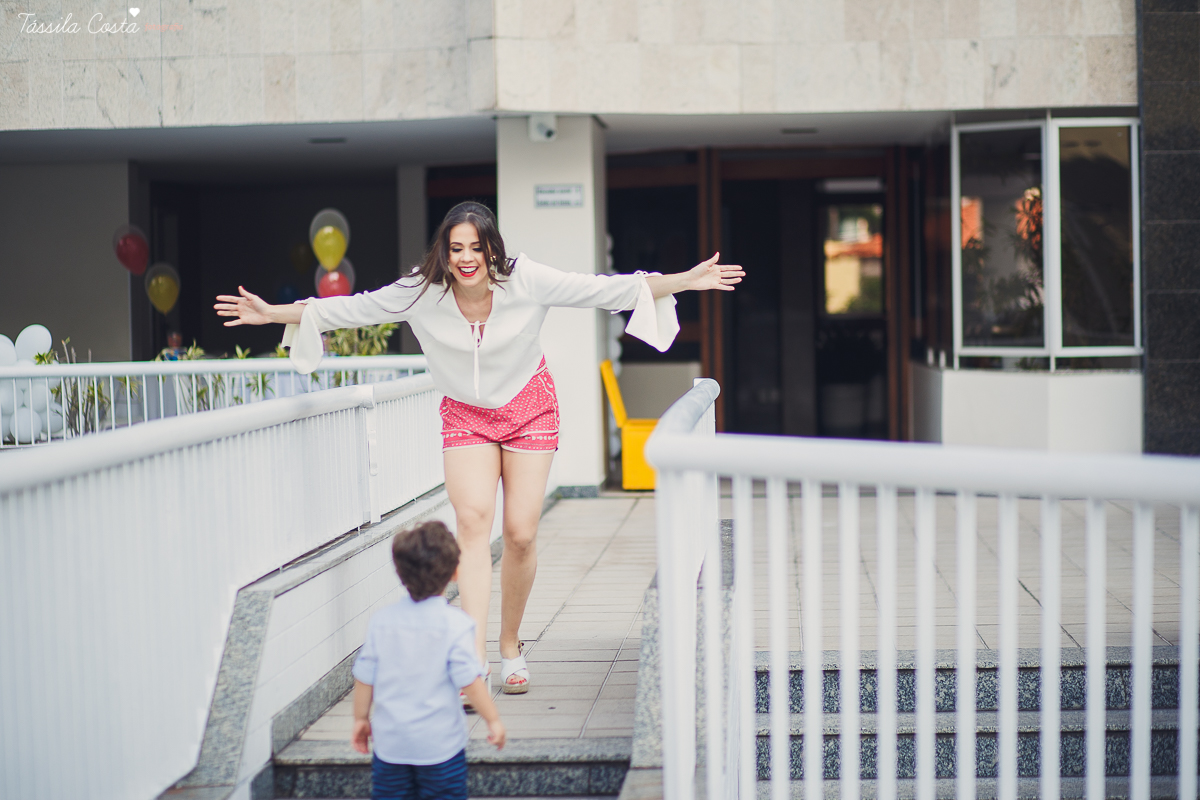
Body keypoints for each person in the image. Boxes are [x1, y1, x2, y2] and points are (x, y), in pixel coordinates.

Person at [215, 201, 743, 694]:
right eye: (455, 248)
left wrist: (685, 280)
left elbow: (605, 290)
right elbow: (351, 309)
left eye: (476, 247)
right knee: (471, 526)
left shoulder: (526, 279)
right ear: (443, 253)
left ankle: (510, 644)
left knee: (520, 533)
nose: (466, 258)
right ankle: (473, 659)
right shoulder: (420, 292)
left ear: (493, 248)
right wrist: (273, 313)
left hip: (529, 407)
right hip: (466, 415)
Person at [349, 521, 505, 800]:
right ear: (455, 572)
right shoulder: (457, 625)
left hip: (391, 746)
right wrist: (492, 719)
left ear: (400, 573)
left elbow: (364, 677)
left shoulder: (381, 622)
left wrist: (361, 719)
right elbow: (470, 681)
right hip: (441, 747)